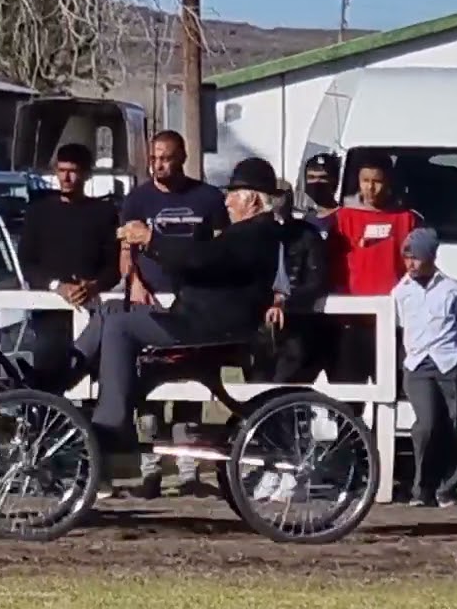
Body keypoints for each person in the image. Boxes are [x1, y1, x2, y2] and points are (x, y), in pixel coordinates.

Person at [91, 157, 282, 457]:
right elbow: (200, 262)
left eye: (232, 195)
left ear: (253, 199)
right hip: (195, 317)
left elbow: (200, 258)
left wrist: (152, 238)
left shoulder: (254, 234)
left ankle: (110, 428)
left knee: (120, 327)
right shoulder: (246, 233)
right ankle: (56, 383)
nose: (227, 202)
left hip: (208, 325)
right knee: (111, 311)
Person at [118, 130, 229, 498]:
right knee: (147, 386)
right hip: (149, 300)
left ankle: (188, 469)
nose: (159, 164)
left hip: (194, 304)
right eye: (154, 158)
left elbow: (220, 249)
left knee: (190, 386)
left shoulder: (208, 198)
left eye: (166, 158)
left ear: (182, 158)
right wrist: (134, 281)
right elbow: (125, 250)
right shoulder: (137, 199)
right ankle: (150, 471)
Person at [17, 143, 121, 390]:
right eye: (61, 170)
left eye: (73, 171)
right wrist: (56, 286)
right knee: (46, 375)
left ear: (86, 174)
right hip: (49, 313)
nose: (66, 177)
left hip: (93, 312)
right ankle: (44, 423)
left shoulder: (103, 213)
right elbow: (27, 262)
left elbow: (114, 265)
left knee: (99, 377)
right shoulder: (38, 212)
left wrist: (94, 286)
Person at [328, 152, 421, 386]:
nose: (371, 188)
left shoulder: (406, 219)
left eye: (377, 181)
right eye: (365, 180)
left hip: (393, 317)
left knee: (394, 386)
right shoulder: (343, 218)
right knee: (350, 388)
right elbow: (333, 262)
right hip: (353, 316)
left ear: (388, 182)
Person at [391, 227, 457, 508]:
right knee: (426, 424)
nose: (410, 264)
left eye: (416, 258)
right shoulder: (401, 292)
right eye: (406, 258)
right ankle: (421, 488)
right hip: (417, 365)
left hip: (448, 362)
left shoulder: (452, 288)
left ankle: (447, 488)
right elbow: (397, 330)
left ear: (431, 257)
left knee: (451, 424)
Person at [256, 179, 330, 383]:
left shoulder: (307, 234)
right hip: (259, 327)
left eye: (282, 195)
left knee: (287, 383)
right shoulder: (255, 234)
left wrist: (285, 300)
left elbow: (317, 280)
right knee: (257, 385)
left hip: (297, 324)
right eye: (273, 195)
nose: (278, 200)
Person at [298, 153, 341, 239]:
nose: (316, 182)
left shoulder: (343, 217)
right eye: (311, 177)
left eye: (323, 178)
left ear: (334, 181)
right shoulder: (307, 218)